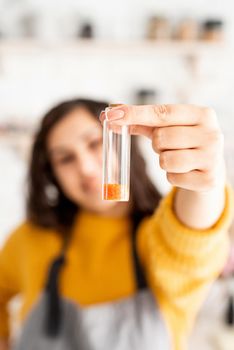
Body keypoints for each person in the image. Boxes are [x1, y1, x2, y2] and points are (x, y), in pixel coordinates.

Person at [0, 99, 233, 350]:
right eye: (66, 159)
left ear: (123, 143)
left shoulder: (155, 239)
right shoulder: (29, 238)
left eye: (95, 143)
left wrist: (205, 182)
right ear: (52, 174)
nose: (86, 168)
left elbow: (191, 242)